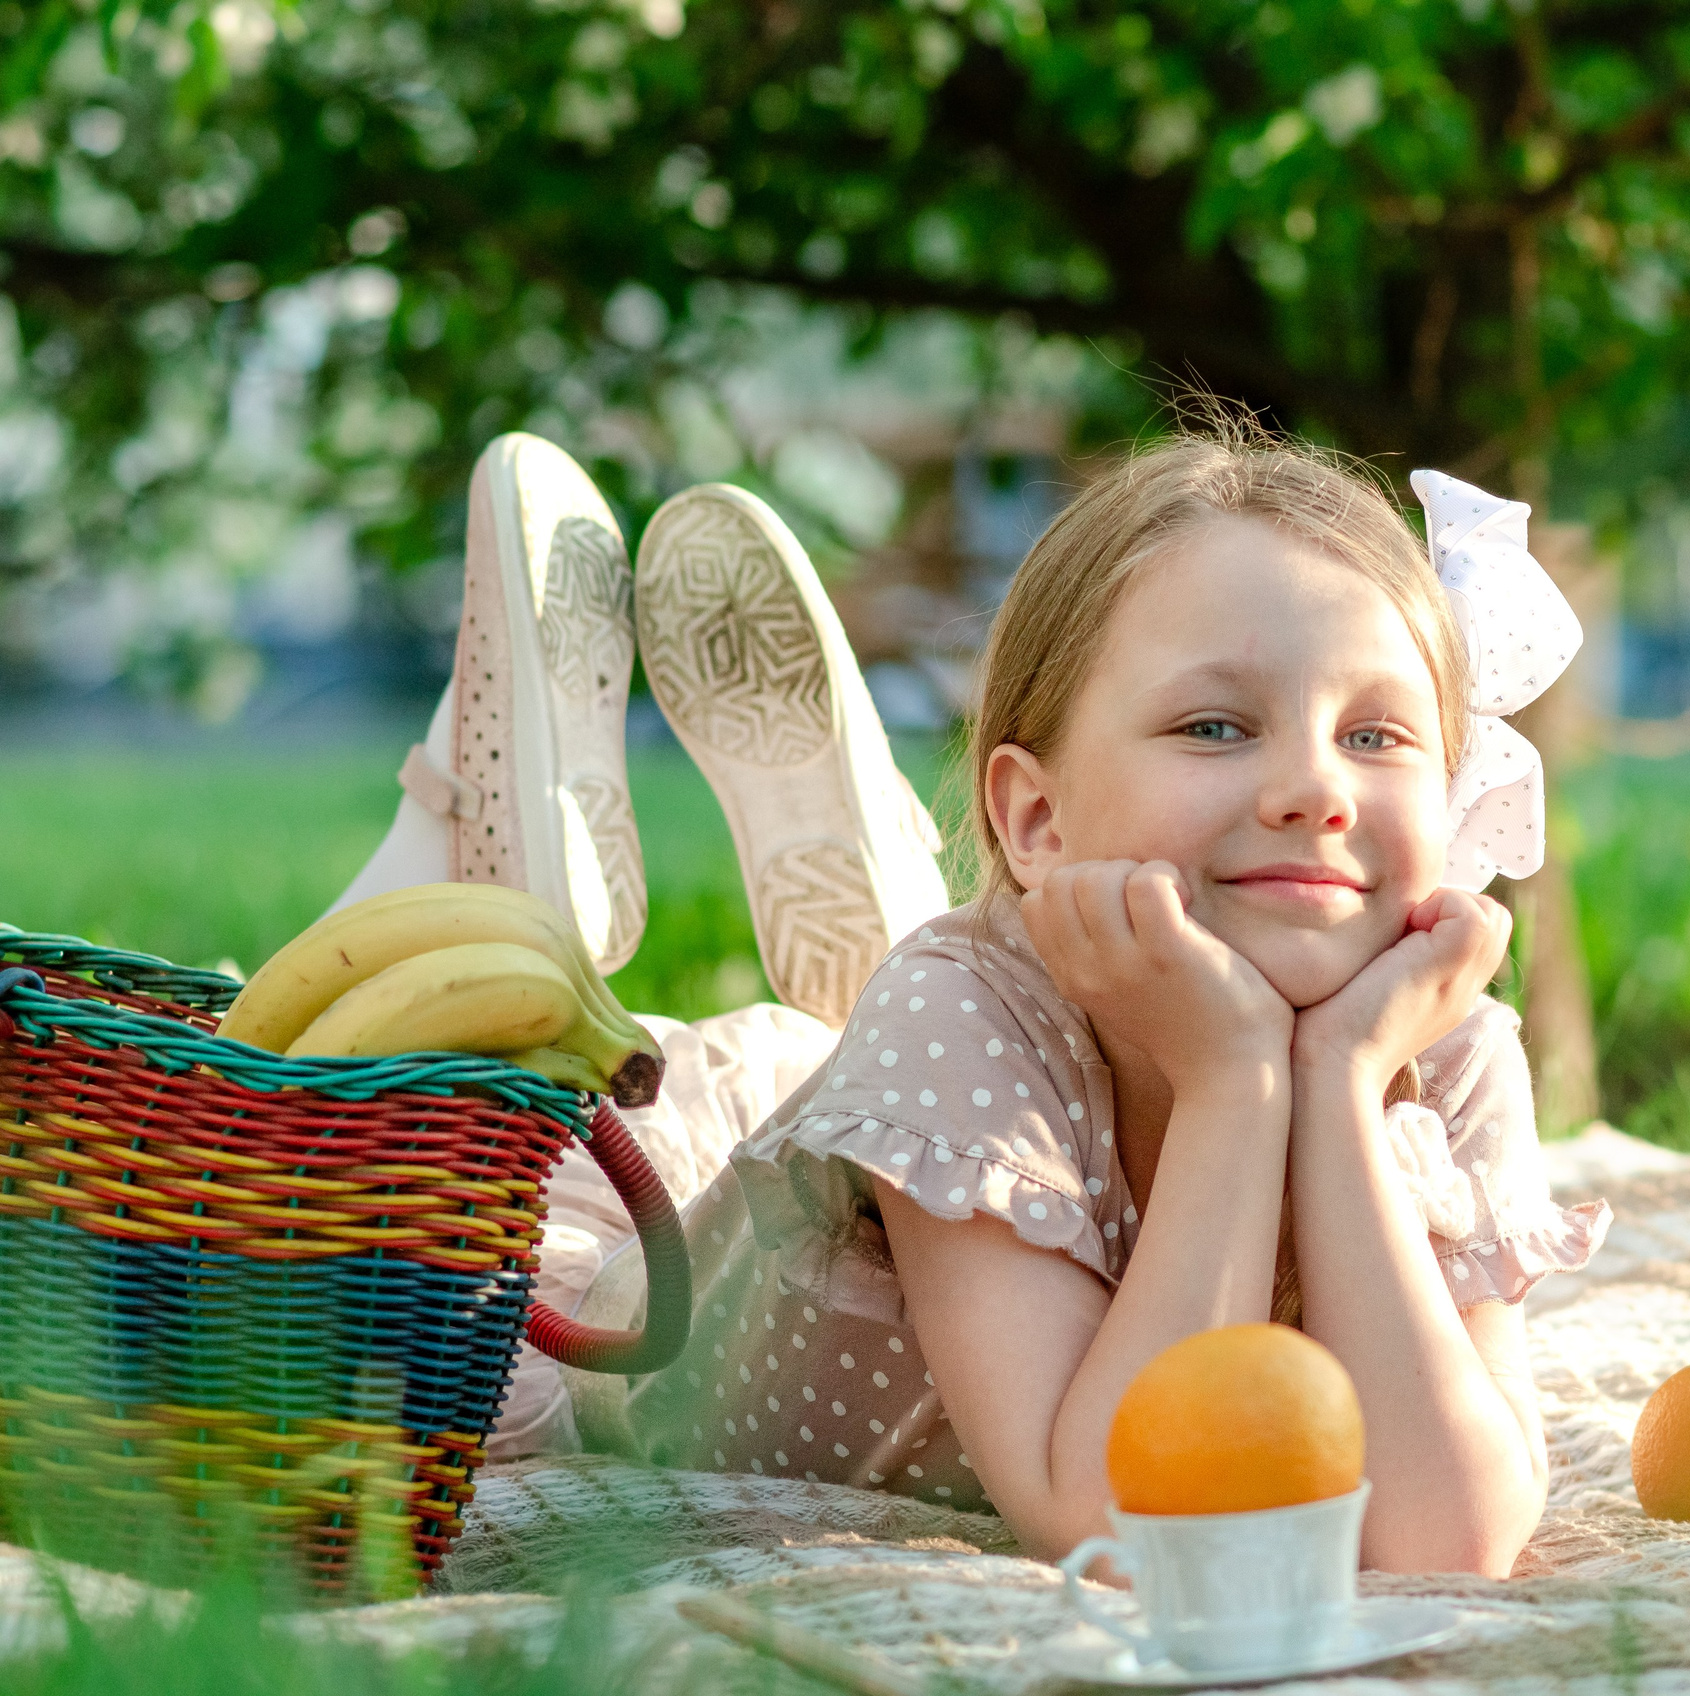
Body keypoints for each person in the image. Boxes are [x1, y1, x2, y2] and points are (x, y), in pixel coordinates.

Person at [356, 423, 1607, 1580]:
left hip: (937, 1072)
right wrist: (1237, 1078)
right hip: (641, 1306)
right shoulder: (961, 1029)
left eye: (1379, 736)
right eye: (1218, 725)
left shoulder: (1433, 1046)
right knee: (434, 1228)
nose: (1313, 789)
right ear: (1038, 817)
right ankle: (504, 858)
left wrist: (1334, 1081)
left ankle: (877, 902)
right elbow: (1122, 1518)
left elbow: (1450, 1536)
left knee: (868, 1025)